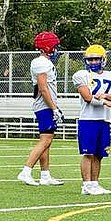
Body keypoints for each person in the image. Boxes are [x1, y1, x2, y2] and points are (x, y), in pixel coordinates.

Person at [72, 44, 111, 195]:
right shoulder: (81, 75)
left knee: (99, 154)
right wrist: (107, 102)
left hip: (104, 120)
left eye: (96, 59)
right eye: (90, 59)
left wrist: (105, 96)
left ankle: (94, 183)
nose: (93, 62)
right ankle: (86, 184)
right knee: (88, 153)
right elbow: (87, 97)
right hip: (88, 119)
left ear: (103, 59)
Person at [17, 31, 65, 187]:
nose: (56, 49)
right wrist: (54, 108)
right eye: (54, 46)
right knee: (45, 140)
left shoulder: (45, 63)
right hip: (44, 106)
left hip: (45, 105)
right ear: (48, 47)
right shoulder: (41, 63)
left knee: (47, 141)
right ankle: (26, 171)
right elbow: (43, 88)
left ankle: (45, 175)